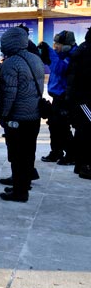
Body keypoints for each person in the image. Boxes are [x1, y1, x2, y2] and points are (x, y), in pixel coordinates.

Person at [0, 26, 45, 202]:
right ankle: (22, 185)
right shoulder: (35, 58)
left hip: (18, 117)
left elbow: (9, 94)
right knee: (28, 153)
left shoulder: (11, 63)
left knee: (17, 155)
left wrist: (3, 114)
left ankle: (19, 192)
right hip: (34, 114)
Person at [39, 31, 77, 165]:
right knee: (54, 125)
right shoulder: (61, 55)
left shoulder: (72, 55)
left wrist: (50, 52)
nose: (55, 46)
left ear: (67, 45)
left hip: (65, 97)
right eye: (54, 44)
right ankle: (56, 151)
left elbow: (60, 69)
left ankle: (72, 155)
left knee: (62, 127)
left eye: (58, 44)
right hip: (57, 96)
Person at [65, 27, 91, 178]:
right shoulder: (87, 52)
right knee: (87, 131)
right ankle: (85, 166)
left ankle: (81, 164)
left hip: (81, 98)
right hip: (85, 98)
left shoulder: (83, 49)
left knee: (83, 130)